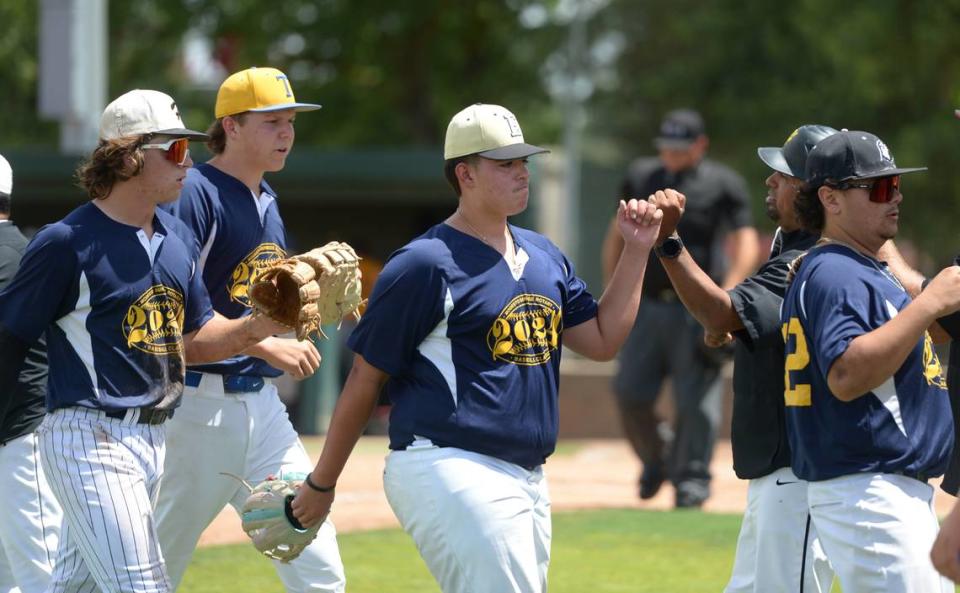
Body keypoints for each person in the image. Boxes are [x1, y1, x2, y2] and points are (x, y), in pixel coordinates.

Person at [289, 102, 664, 593]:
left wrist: (637, 250)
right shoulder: (424, 263)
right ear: (464, 173)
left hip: (525, 475)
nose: (521, 172)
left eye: (523, 161)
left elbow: (601, 340)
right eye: (504, 163)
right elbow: (365, 377)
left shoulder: (543, 254)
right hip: (448, 462)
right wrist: (322, 483)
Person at [0, 89, 290, 593]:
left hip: (154, 439)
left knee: (73, 587)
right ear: (130, 155)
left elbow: (196, 338)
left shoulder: (174, 245)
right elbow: (10, 338)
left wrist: (257, 326)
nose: (190, 160)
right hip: (87, 435)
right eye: (175, 149)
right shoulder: (67, 242)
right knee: (143, 584)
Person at [155, 66, 346, 592]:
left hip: (262, 411)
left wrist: (292, 330)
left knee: (318, 565)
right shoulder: (195, 193)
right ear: (231, 127)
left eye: (289, 121)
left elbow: (254, 300)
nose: (286, 132)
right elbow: (179, 312)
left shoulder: (269, 202)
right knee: (151, 570)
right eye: (271, 122)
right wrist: (270, 346)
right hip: (196, 411)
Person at [652, 125, 837, 591]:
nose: (770, 182)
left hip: (801, 476)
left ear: (816, 192)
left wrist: (669, 242)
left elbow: (722, 310)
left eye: (784, 174)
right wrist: (729, 322)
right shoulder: (799, 252)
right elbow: (734, 317)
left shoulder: (810, 257)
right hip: (783, 475)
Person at [782, 130, 960, 592]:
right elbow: (845, 374)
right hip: (868, 490)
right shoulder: (836, 271)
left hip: (887, 490)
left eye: (896, 185)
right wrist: (928, 303)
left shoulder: (858, 269)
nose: (894, 197)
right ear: (830, 198)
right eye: (879, 188)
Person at [601, 108, 759, 507]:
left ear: (700, 146)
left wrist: (727, 297)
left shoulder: (724, 184)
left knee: (695, 402)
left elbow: (744, 240)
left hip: (696, 308)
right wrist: (613, 292)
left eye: (680, 147)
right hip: (648, 305)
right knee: (629, 391)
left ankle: (692, 482)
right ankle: (656, 459)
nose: (670, 154)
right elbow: (615, 236)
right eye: (666, 147)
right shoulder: (642, 176)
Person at [0, 153, 62, 593]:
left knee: (44, 579)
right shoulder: (25, 251)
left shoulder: (11, 255)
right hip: (24, 434)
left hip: (22, 439)